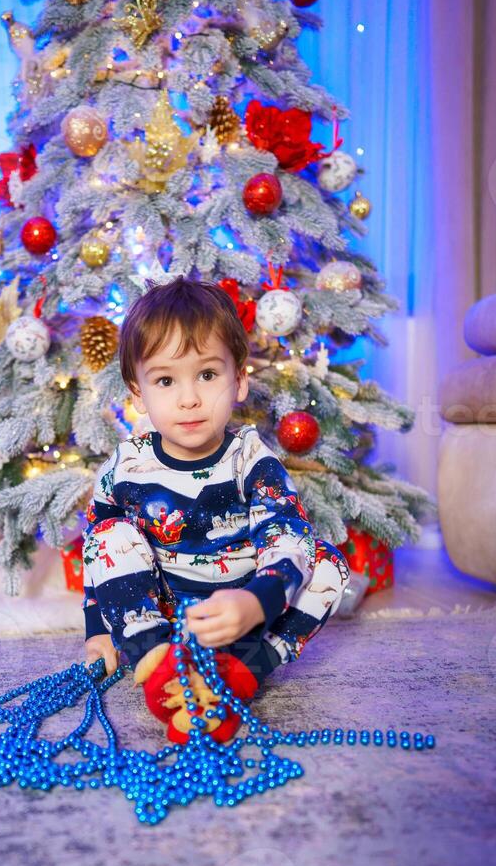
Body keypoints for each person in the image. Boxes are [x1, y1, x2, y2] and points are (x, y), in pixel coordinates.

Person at [81, 276, 350, 744]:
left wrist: (257, 602)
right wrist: (98, 630)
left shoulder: (251, 459)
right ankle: (156, 659)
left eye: (208, 375)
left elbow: (286, 535)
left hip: (246, 607)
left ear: (239, 380)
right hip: (165, 610)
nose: (189, 398)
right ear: (138, 393)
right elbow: (98, 549)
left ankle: (244, 670)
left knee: (326, 563)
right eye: (166, 380)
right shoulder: (127, 465)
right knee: (109, 534)